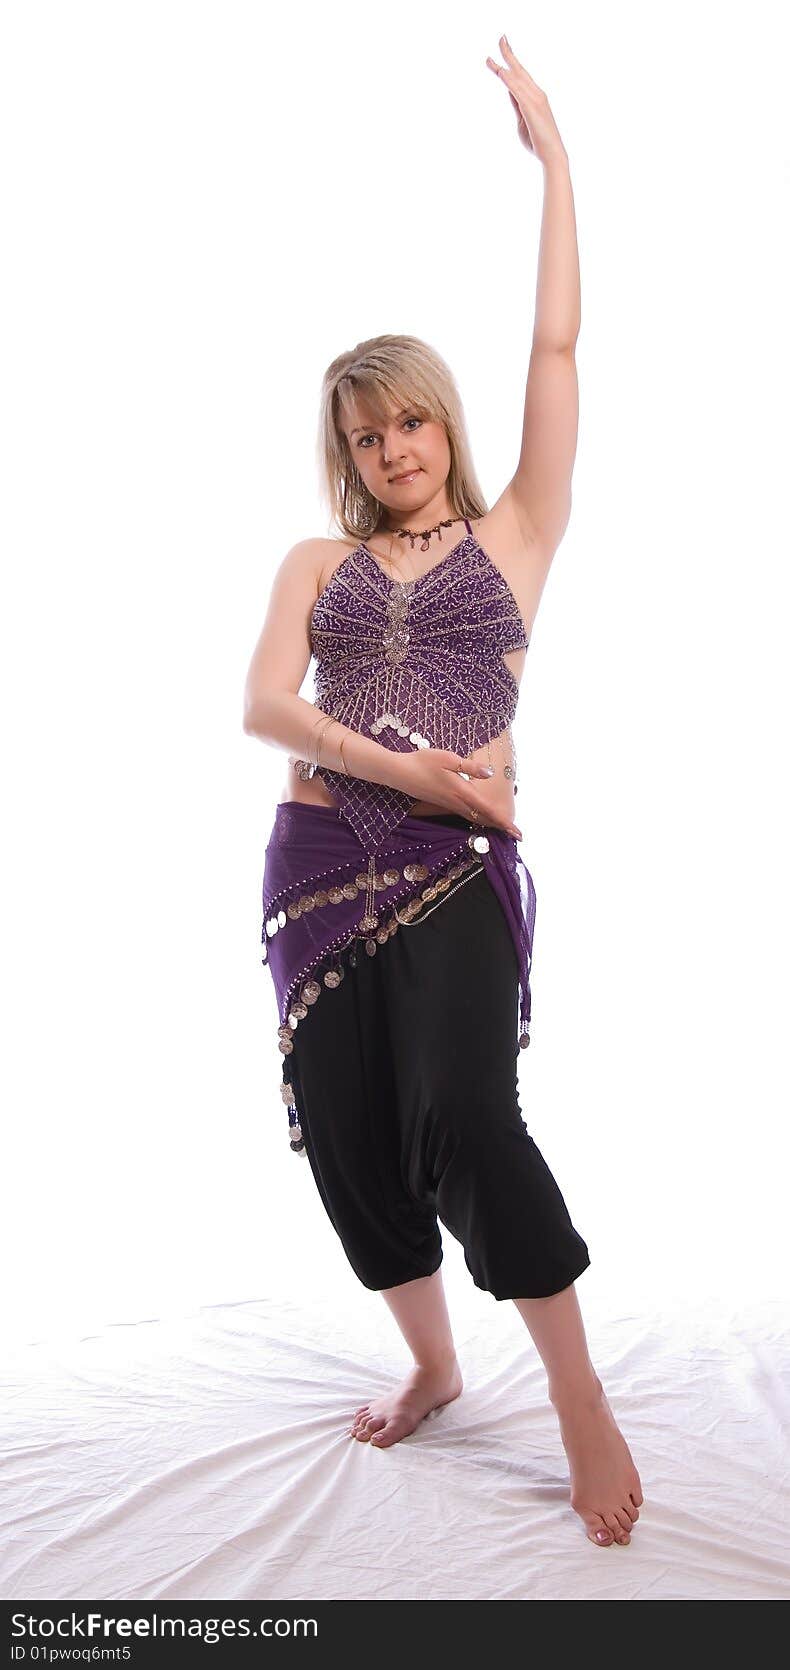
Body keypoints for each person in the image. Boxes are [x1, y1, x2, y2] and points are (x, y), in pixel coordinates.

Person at [243, 37, 643, 1550]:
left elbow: (555, 354)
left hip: (446, 862)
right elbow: (261, 705)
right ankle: (428, 1359)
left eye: (407, 419)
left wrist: (556, 163)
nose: (390, 446)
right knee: (344, 1129)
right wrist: (395, 760)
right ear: (342, 455)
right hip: (314, 859)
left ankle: (577, 1393)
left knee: (469, 1115)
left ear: (441, 424)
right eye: (363, 433)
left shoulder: (516, 534)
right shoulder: (315, 565)